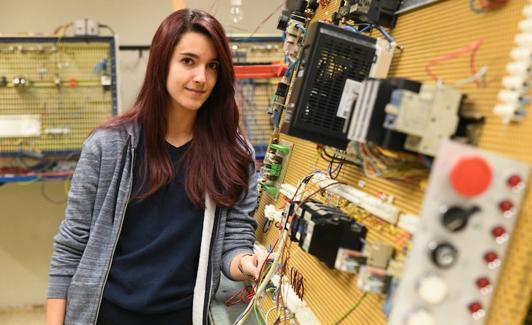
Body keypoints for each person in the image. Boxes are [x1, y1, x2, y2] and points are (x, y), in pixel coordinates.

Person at [46, 9, 267, 325]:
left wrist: (246, 262)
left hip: (183, 317)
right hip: (105, 316)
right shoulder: (109, 146)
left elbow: (233, 244)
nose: (201, 77)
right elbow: (71, 246)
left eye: (212, 66)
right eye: (188, 61)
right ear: (161, 63)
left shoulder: (233, 154)